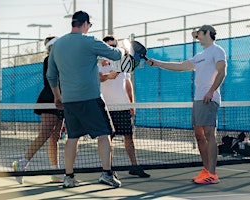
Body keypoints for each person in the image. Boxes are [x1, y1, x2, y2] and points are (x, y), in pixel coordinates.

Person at [46, 11, 127, 188]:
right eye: (89, 26)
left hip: (69, 101)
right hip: (91, 98)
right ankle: (106, 174)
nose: (89, 28)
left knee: (72, 138)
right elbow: (116, 55)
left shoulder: (58, 45)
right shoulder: (90, 41)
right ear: (85, 24)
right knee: (105, 134)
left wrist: (57, 96)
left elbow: (51, 75)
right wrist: (124, 48)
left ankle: (69, 177)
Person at [146, 25, 227, 184]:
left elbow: (222, 71)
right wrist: (157, 63)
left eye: (199, 34)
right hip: (198, 99)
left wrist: (211, 91)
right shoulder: (200, 55)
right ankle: (205, 170)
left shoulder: (217, 50)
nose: (197, 37)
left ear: (207, 33)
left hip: (209, 98)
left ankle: (212, 174)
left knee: (209, 134)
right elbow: (180, 66)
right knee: (199, 135)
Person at [12, 36, 64, 184]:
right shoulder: (49, 60)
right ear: (51, 48)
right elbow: (51, 80)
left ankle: (55, 171)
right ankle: (21, 164)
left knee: (56, 136)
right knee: (45, 134)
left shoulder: (62, 59)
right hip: (50, 99)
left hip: (62, 100)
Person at [98, 35, 150, 178]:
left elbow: (128, 84)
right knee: (108, 139)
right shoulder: (97, 63)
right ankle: (109, 169)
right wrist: (110, 75)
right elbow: (98, 78)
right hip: (106, 108)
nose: (113, 48)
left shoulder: (123, 61)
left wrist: (131, 103)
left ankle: (134, 166)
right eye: (109, 46)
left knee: (129, 137)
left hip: (122, 106)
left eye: (114, 46)